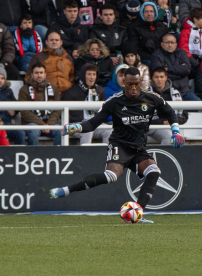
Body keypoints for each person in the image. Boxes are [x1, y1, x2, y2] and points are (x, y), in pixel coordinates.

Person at [49, 67, 185, 224]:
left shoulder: (151, 98)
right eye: (130, 84)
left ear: (140, 82)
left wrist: (176, 131)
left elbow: (170, 112)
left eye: (136, 84)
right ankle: (66, 190)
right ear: (124, 83)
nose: (133, 88)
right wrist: (78, 127)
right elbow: (94, 122)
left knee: (154, 171)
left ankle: (137, 213)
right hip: (119, 145)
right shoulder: (114, 101)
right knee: (111, 176)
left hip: (138, 148)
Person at [61, 63, 111, 145]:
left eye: (94, 74)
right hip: (76, 124)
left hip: (93, 123)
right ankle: (85, 157)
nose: (92, 77)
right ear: (83, 75)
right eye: (89, 74)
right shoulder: (72, 91)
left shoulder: (100, 90)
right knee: (86, 130)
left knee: (109, 130)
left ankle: (107, 156)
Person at [19, 63, 62, 146]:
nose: (39, 75)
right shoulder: (24, 89)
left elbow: (57, 110)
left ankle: (56, 157)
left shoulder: (53, 89)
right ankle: (32, 156)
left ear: (45, 74)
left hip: (50, 123)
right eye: (36, 73)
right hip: (31, 123)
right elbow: (24, 112)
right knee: (34, 131)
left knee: (60, 131)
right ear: (31, 75)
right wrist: (42, 125)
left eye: (41, 73)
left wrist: (49, 124)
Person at [151, 34, 200, 101]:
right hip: (166, 92)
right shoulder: (156, 55)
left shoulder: (182, 53)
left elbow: (187, 70)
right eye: (167, 42)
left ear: (176, 44)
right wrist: (180, 73)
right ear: (162, 44)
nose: (170, 45)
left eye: (172, 42)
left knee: (197, 103)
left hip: (183, 91)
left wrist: (168, 69)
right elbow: (159, 74)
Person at [26, 30, 75, 95]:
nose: (54, 42)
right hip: (46, 94)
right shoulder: (38, 57)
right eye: (51, 40)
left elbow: (72, 77)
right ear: (46, 42)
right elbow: (28, 77)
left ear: (61, 42)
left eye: (56, 40)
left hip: (66, 94)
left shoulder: (68, 57)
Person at [148, 67, 188, 144]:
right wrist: (162, 122)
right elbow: (143, 118)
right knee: (169, 136)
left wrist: (173, 122)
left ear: (166, 78)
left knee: (180, 137)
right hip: (153, 127)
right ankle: (163, 156)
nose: (159, 79)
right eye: (156, 77)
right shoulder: (147, 94)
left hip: (173, 125)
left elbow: (184, 115)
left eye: (161, 77)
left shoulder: (175, 92)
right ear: (152, 78)